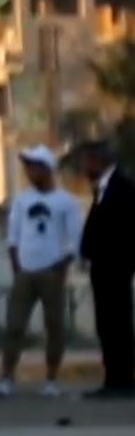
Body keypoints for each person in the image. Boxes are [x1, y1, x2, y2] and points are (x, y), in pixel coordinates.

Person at [0, 145, 83, 398]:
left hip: (51, 271)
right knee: (14, 326)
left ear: (47, 169)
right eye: (28, 167)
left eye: (34, 167)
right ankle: (6, 377)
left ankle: (51, 379)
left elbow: (75, 240)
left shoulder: (66, 202)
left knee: (54, 326)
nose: (30, 172)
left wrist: (62, 265)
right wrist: (16, 264)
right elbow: (13, 235)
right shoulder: (22, 200)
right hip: (25, 271)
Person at [77, 140, 135, 399]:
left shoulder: (122, 189)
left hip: (116, 269)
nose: (84, 166)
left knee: (117, 324)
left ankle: (122, 379)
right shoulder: (102, 189)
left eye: (88, 160)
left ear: (101, 161)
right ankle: (114, 377)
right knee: (107, 324)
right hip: (103, 268)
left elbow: (124, 230)